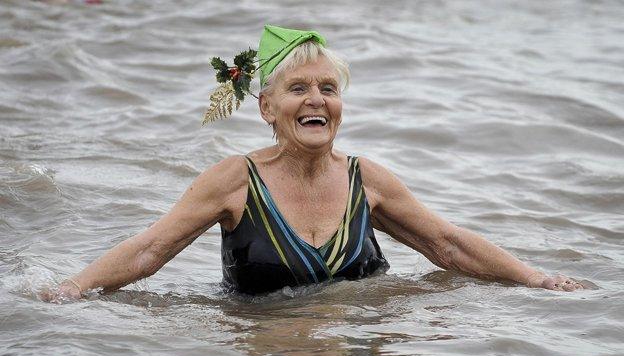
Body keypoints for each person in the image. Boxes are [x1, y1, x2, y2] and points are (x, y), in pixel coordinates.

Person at [49, 24, 588, 301]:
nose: (316, 99)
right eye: (298, 88)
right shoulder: (234, 182)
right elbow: (148, 250)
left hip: (356, 346)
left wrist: (535, 281)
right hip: (265, 344)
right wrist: (71, 290)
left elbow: (447, 244)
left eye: (328, 88)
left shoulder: (366, 179)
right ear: (266, 108)